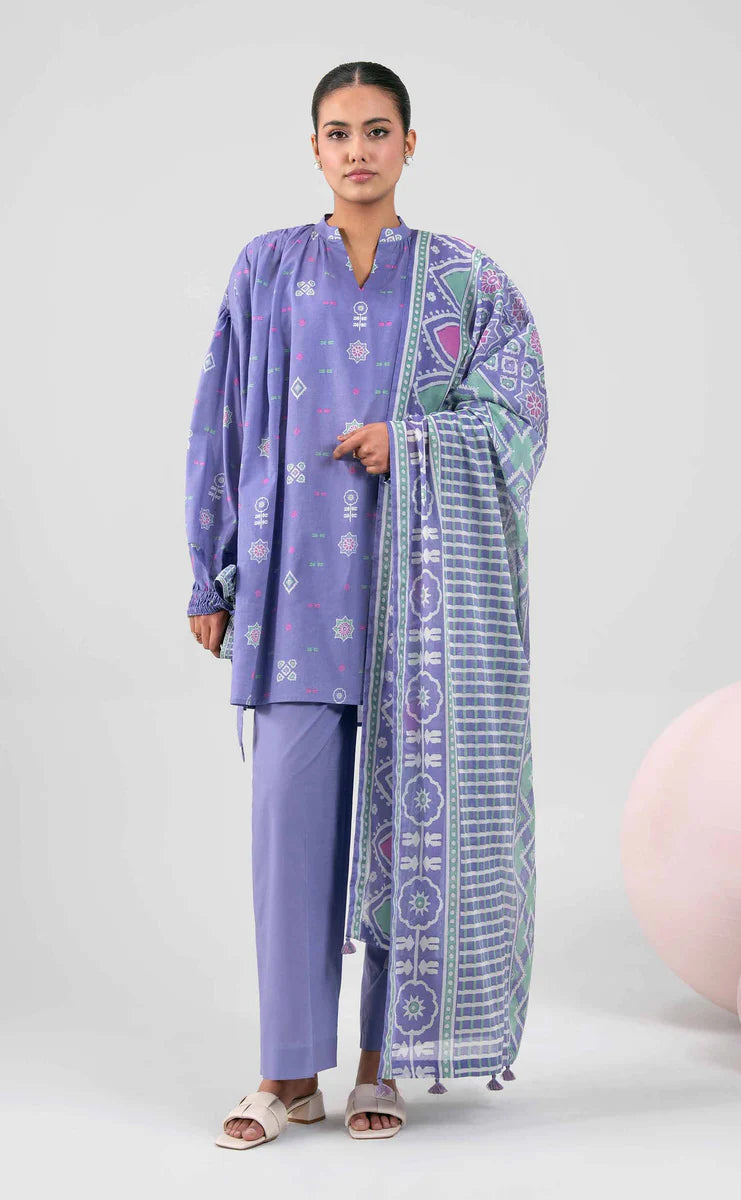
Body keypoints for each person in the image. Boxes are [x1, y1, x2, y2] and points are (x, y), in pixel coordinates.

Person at [185, 60, 549, 1148]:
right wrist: (209, 570)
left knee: (407, 836)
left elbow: (519, 411)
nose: (357, 150)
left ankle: (382, 1064)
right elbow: (220, 416)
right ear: (313, 148)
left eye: (377, 130)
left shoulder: (462, 280)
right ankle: (287, 1074)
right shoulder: (267, 267)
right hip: (291, 593)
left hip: (416, 608)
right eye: (338, 132)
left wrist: (415, 440)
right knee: (289, 838)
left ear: (408, 145)